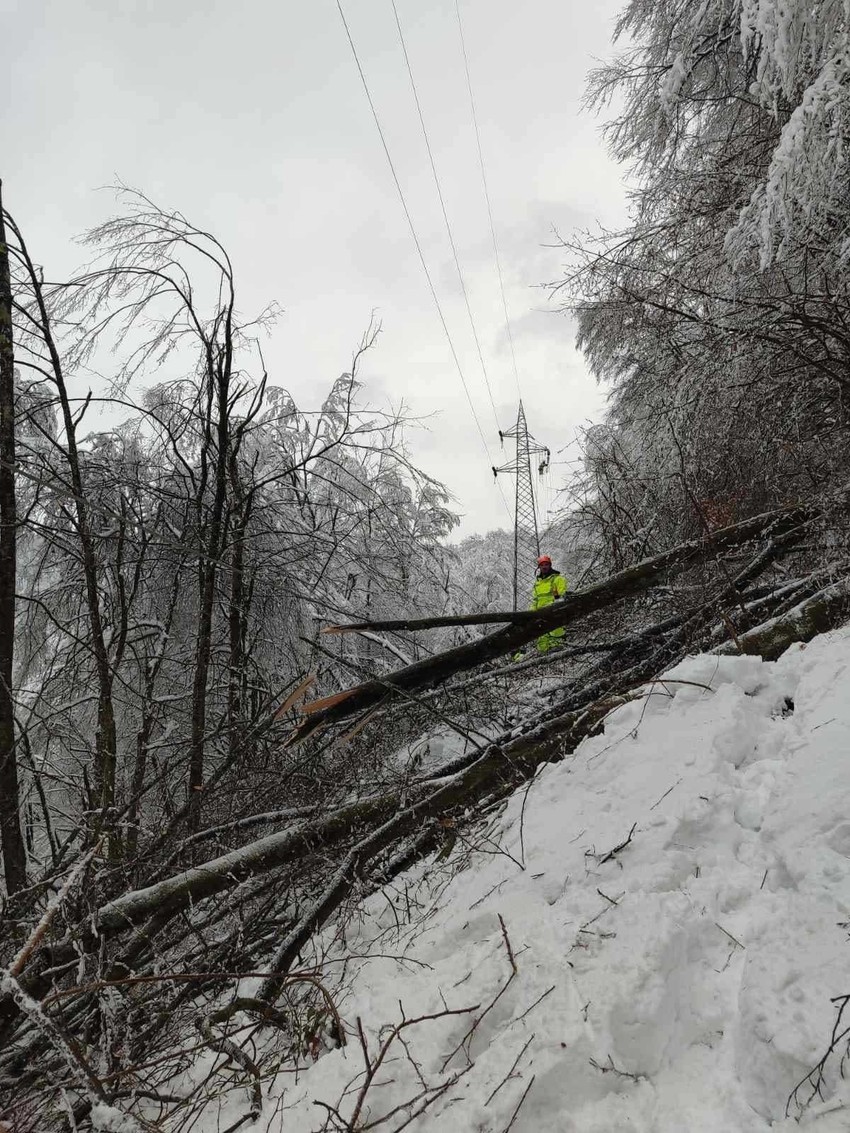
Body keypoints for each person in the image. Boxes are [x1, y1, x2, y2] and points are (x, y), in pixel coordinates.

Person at [529, 554, 568, 653]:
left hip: (553, 614)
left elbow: (562, 596)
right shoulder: (537, 583)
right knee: (542, 645)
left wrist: (555, 610)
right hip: (540, 617)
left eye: (546, 564)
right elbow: (535, 600)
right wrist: (531, 615)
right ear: (539, 567)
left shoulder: (558, 579)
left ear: (550, 565)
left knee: (557, 643)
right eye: (542, 565)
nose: (544, 566)